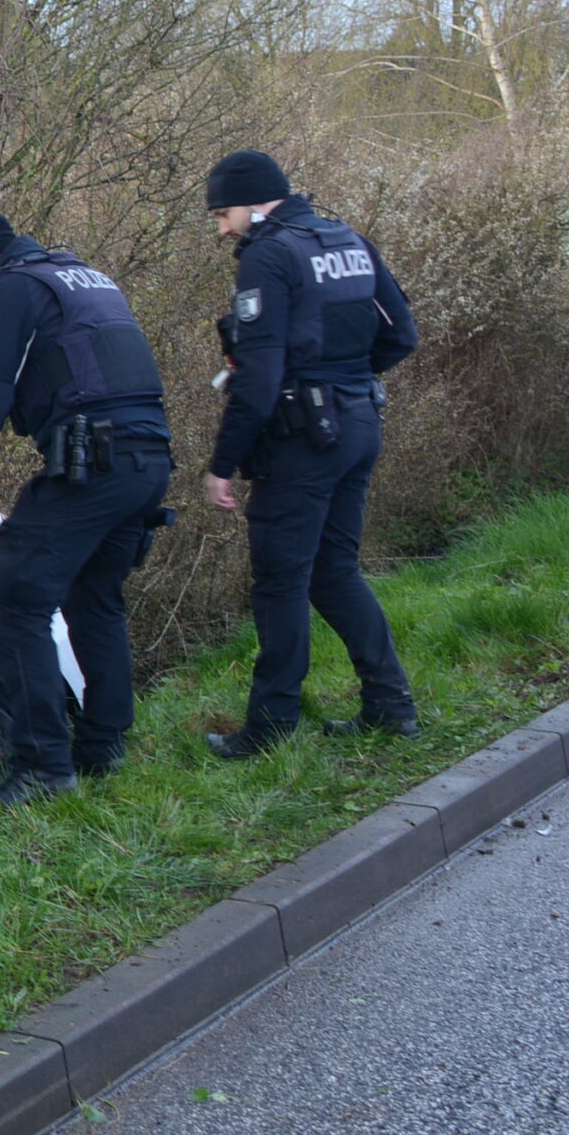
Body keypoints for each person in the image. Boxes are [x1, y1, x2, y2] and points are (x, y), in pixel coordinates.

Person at [0, 205, 174, 816]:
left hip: (92, 463)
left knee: (17, 599)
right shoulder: (80, 275)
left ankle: (43, 766)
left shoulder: (10, 291)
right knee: (95, 597)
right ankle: (104, 744)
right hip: (146, 461)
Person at [200, 149, 421, 757]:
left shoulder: (269, 255)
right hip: (358, 424)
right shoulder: (346, 238)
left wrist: (222, 464)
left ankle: (271, 728)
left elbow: (260, 374)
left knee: (279, 583)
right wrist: (346, 382)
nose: (223, 229)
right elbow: (402, 335)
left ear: (254, 202)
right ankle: (390, 705)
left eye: (224, 214)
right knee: (335, 571)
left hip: (301, 439)